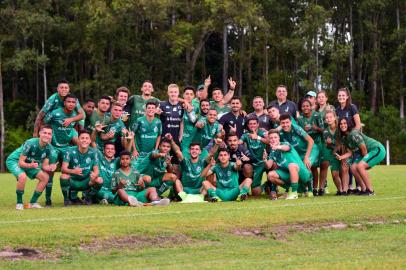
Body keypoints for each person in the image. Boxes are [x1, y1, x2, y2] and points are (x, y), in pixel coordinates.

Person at [6, 125, 57, 210]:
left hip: (30, 163)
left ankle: (33, 202)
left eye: (49, 133)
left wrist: (51, 167)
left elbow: (44, 166)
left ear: (51, 136)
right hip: (15, 160)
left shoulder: (50, 149)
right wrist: (31, 165)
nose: (46, 135)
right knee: (22, 176)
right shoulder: (30, 143)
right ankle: (19, 203)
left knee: (45, 177)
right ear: (40, 133)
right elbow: (21, 162)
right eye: (44, 133)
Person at [44, 93, 80, 206]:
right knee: (50, 172)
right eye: (69, 102)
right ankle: (48, 199)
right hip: (53, 147)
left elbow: (78, 127)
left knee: (69, 172)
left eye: (73, 102)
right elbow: (45, 124)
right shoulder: (55, 113)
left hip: (66, 148)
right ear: (64, 103)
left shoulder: (76, 115)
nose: (71, 104)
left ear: (75, 104)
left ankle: (67, 199)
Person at [336, 117, 386, 195]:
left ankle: (370, 191)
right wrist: (341, 157)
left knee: (360, 166)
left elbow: (363, 148)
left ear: (349, 124)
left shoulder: (353, 134)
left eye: (345, 123)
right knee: (353, 168)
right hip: (367, 152)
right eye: (341, 124)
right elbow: (350, 152)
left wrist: (365, 162)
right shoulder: (345, 138)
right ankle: (364, 189)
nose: (343, 125)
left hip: (377, 149)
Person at [169, 134, 221, 201]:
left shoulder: (203, 162)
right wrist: (171, 141)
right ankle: (183, 197)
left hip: (199, 190)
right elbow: (177, 152)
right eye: (192, 149)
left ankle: (201, 197)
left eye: (197, 149)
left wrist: (217, 144)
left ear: (200, 152)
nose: (194, 151)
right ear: (189, 151)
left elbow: (211, 154)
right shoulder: (185, 162)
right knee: (177, 181)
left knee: (206, 182)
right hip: (185, 190)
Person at [264, 130, 311, 200]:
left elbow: (286, 148)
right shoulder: (272, 152)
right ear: (269, 139)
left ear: (279, 138)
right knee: (270, 175)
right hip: (290, 175)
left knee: (291, 165)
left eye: (275, 137)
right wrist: (264, 159)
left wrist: (278, 147)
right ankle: (291, 189)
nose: (273, 139)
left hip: (302, 173)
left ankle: (294, 193)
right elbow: (268, 166)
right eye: (271, 138)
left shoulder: (285, 144)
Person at [279, 113, 318, 196]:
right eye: (283, 123)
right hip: (298, 153)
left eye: (287, 122)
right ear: (280, 123)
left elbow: (311, 141)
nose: (285, 125)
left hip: (310, 149)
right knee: (298, 169)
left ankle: (310, 191)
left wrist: (307, 157)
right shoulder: (281, 133)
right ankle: (302, 189)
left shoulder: (297, 129)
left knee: (306, 165)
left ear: (290, 122)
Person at [60, 130, 102, 205]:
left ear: (90, 141)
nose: (84, 140)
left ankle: (88, 198)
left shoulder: (93, 152)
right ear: (78, 140)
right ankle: (66, 200)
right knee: (63, 177)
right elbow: (63, 169)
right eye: (82, 138)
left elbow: (96, 171)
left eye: (87, 138)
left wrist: (94, 176)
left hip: (87, 181)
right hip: (72, 181)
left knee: (99, 180)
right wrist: (73, 171)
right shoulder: (69, 151)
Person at [336, 87, 362, 192]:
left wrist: (352, 136)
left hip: (354, 139)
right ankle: (349, 186)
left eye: (343, 95)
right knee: (346, 162)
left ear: (347, 96)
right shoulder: (337, 110)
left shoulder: (352, 107)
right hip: (343, 141)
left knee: (355, 162)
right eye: (339, 95)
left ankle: (359, 186)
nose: (341, 97)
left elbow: (358, 124)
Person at [297, 98, 323, 196]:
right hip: (305, 145)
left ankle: (315, 188)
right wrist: (303, 130)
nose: (305, 108)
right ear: (301, 108)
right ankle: (306, 188)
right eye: (303, 106)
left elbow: (323, 129)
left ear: (311, 106)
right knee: (308, 166)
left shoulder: (317, 115)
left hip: (317, 144)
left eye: (307, 106)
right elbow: (298, 133)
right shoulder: (300, 119)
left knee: (314, 167)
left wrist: (315, 128)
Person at [320, 110, 348, 195]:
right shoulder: (325, 131)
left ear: (335, 118)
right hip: (334, 154)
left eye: (330, 117)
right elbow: (329, 146)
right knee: (334, 173)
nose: (329, 119)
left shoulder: (340, 128)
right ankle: (340, 190)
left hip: (345, 153)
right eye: (327, 118)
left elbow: (343, 143)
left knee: (344, 170)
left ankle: (346, 189)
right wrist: (328, 144)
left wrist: (343, 158)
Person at [240, 115, 268, 196]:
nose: (252, 125)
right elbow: (239, 142)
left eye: (254, 123)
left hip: (263, 162)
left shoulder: (262, 132)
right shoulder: (246, 134)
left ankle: (270, 183)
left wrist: (258, 137)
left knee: (272, 165)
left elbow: (269, 141)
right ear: (248, 125)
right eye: (250, 124)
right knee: (255, 193)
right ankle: (264, 185)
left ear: (258, 124)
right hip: (253, 162)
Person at [158, 84, 184, 167]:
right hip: (164, 139)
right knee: (162, 163)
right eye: (171, 92)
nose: (173, 94)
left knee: (176, 164)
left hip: (175, 139)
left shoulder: (182, 106)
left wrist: (180, 136)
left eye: (175, 92)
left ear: (178, 93)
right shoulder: (162, 104)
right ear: (168, 93)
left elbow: (182, 121)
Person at [131, 101, 162, 169]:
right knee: (136, 171)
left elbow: (159, 135)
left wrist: (156, 149)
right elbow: (132, 134)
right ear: (145, 109)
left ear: (155, 110)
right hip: (139, 153)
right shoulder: (139, 120)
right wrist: (134, 150)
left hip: (151, 153)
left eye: (153, 108)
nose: (151, 109)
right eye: (149, 108)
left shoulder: (158, 121)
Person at [180, 86, 199, 158]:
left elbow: (195, 120)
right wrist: (184, 101)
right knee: (184, 159)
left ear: (194, 96)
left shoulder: (197, 106)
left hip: (194, 138)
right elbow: (173, 98)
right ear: (183, 95)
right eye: (187, 94)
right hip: (183, 139)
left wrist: (189, 110)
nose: (189, 96)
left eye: (191, 94)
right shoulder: (178, 105)